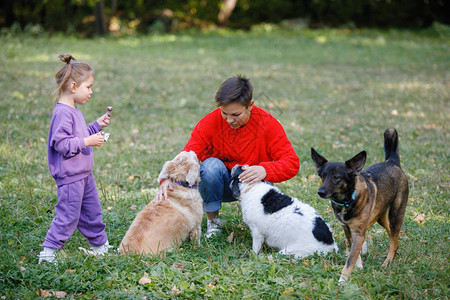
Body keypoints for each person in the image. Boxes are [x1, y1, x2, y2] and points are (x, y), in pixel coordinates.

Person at [157, 75, 300, 238]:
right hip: (222, 184)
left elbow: (292, 163)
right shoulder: (210, 122)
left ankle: (264, 226)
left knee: (263, 180)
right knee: (210, 166)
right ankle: (214, 222)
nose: (229, 120)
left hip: (254, 183)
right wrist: (167, 178)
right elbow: (188, 155)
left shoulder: (268, 123)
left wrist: (265, 169)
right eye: (225, 113)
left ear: (250, 106)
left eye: (235, 114)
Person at [38, 54, 112, 263]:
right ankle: (48, 251)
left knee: (92, 212)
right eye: (88, 87)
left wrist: (96, 126)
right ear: (73, 86)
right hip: (70, 177)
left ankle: (99, 245)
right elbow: (62, 144)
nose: (91, 91)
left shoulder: (74, 110)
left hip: (84, 174)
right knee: (68, 216)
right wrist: (88, 142)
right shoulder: (62, 113)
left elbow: (78, 137)